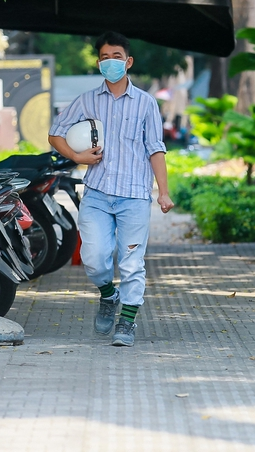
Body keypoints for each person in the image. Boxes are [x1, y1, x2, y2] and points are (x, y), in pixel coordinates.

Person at [48, 31, 173, 348]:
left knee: (132, 264)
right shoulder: (87, 100)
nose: (110, 62)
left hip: (133, 196)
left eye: (116, 57)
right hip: (97, 194)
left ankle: (127, 323)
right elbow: (56, 134)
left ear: (128, 62)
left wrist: (163, 192)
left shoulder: (146, 103)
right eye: (104, 57)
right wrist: (77, 156)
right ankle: (108, 295)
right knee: (94, 259)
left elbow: (155, 149)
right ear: (98, 63)